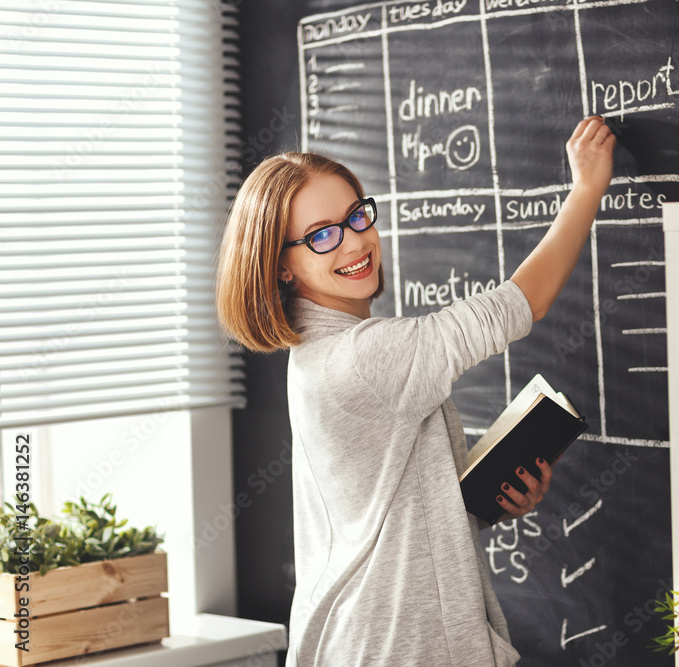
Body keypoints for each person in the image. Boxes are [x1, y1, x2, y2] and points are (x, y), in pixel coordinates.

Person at [216, 116, 615, 666]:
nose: (355, 241)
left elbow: (386, 511)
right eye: (321, 235)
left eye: (357, 216)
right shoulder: (363, 354)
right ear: (282, 266)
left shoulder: (314, 353)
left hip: (358, 640)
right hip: (403, 644)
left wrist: (483, 502)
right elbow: (519, 304)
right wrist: (587, 188)